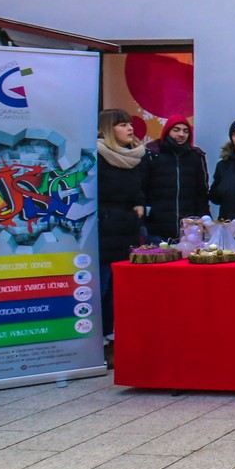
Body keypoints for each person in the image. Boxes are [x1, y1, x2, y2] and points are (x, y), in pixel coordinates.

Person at [96, 109, 149, 339]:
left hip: (127, 231)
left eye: (129, 124)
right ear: (107, 129)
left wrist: (139, 204)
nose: (130, 128)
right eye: (121, 125)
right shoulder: (96, 156)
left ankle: (111, 335)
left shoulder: (134, 157)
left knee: (118, 289)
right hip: (104, 231)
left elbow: (137, 189)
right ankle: (97, 338)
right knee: (102, 286)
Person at [145, 116, 209, 241]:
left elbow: (202, 192)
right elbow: (142, 187)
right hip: (157, 227)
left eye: (185, 131)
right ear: (167, 131)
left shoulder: (196, 156)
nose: (181, 134)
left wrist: (204, 216)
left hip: (190, 229)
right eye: (176, 130)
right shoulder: (153, 154)